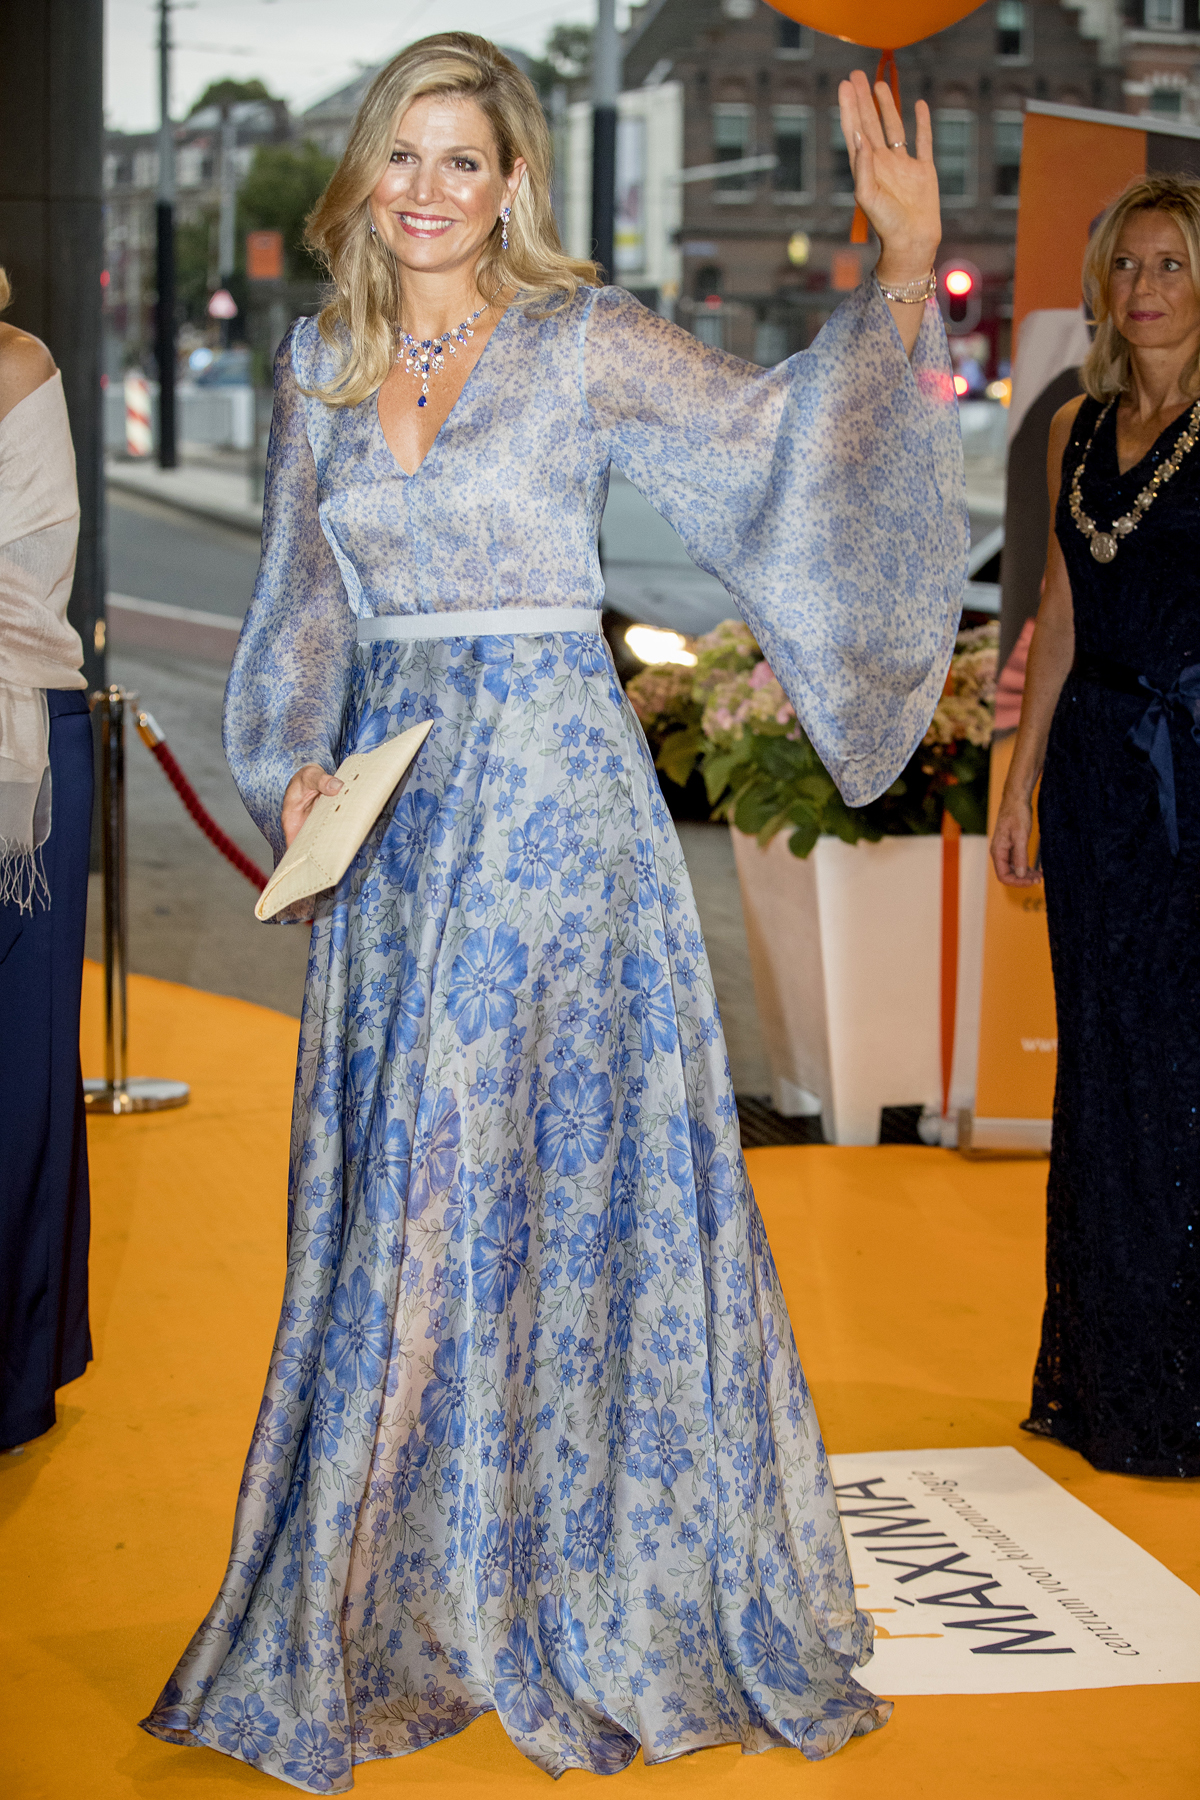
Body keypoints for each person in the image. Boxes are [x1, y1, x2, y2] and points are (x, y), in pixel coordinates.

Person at [142, 35, 966, 1789]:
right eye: (404, 156)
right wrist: (292, 763)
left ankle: (571, 1568)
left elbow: (782, 448)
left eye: (466, 158)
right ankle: (399, 1583)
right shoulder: (317, 364)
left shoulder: (587, 345)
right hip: (397, 824)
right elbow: (300, 606)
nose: (431, 187)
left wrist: (900, 270)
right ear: (367, 178)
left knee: (501, 1167)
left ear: (516, 181)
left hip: (558, 825)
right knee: (413, 1191)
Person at [992, 173, 1200, 1479]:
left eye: (1172, 263)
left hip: (1195, 769)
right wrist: (1019, 780)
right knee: (1112, 1074)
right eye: (1126, 265)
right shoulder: (1076, 420)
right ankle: (1114, 1379)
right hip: (1093, 783)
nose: (1145, 288)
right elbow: (1061, 609)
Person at [0, 267, 93, 1450]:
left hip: (19, 744)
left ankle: (15, 1367)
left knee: (18, 1073)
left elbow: (28, 597)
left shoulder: (17, 365)